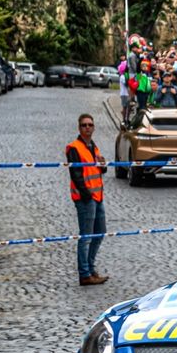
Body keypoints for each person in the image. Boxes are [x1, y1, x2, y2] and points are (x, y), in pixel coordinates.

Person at [66, 114, 108, 286]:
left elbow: (99, 170)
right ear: (79, 128)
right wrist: (87, 195)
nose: (87, 127)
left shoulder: (93, 147)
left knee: (100, 232)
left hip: (98, 197)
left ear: (94, 127)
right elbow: (75, 175)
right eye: (84, 125)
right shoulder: (74, 148)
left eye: (90, 125)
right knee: (86, 236)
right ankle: (85, 274)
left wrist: (103, 165)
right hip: (86, 198)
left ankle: (90, 268)